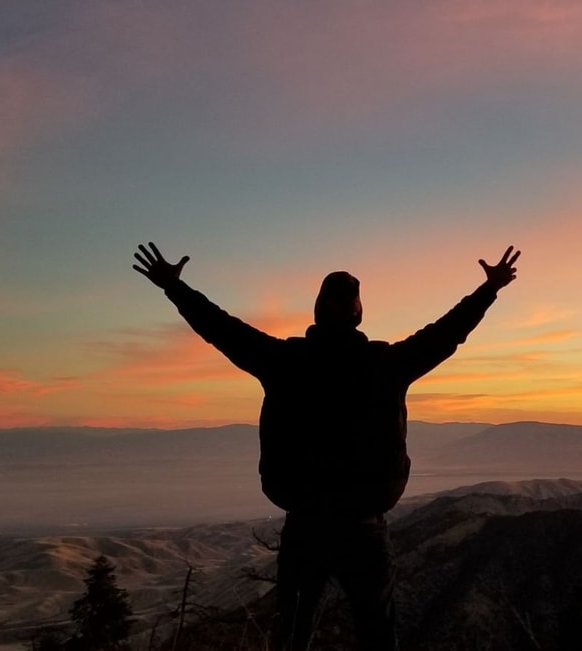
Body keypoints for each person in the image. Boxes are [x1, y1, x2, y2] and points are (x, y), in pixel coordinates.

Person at [132, 242, 520, 650]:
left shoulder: (284, 360)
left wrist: (174, 287)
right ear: (359, 314)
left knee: (292, 634)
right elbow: (447, 333)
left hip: (306, 525)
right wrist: (488, 289)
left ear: (317, 312)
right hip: (363, 528)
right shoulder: (385, 364)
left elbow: (221, 328)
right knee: (377, 634)